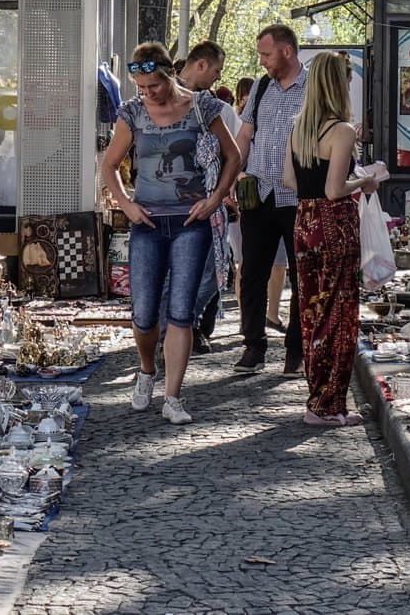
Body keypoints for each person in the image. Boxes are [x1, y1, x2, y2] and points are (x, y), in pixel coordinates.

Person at [101, 42, 239, 425]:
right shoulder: (131, 114)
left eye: (153, 86)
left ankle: (173, 397)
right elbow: (110, 165)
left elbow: (233, 156)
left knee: (181, 312)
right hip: (146, 222)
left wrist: (215, 199)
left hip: (190, 221)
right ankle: (147, 370)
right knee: (144, 314)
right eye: (141, 87)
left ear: (168, 75)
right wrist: (126, 204)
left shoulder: (202, 108)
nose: (147, 94)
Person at [282, 52, 381, 426]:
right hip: (333, 223)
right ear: (339, 85)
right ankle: (329, 405)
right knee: (339, 312)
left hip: (304, 222)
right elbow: (335, 188)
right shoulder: (341, 131)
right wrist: (366, 180)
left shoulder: (299, 127)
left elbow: (290, 181)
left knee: (310, 311)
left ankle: (317, 399)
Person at [233, 25, 308, 375]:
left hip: (296, 197)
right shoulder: (261, 87)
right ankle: (253, 345)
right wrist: (237, 172)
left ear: (287, 52)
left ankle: (296, 348)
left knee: (301, 275)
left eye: (266, 54)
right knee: (252, 273)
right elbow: (245, 134)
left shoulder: (312, 88)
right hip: (258, 194)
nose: (261, 61)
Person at [167, 40, 242, 354]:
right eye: (216, 70)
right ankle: (172, 329)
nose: (217, 77)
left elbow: (234, 154)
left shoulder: (215, 107)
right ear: (200, 65)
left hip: (210, 200)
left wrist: (225, 191)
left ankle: (186, 321)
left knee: (215, 268)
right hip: (169, 200)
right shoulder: (160, 98)